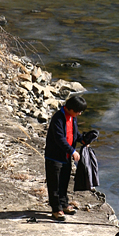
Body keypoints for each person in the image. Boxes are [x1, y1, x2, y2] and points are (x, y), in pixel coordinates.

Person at [44, 93, 88, 221]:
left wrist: (83, 140)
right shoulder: (58, 118)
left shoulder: (72, 117)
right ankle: (56, 209)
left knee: (64, 182)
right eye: (78, 111)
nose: (79, 114)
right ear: (71, 109)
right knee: (54, 184)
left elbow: (74, 134)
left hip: (66, 156)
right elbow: (59, 139)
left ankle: (64, 204)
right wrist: (72, 151)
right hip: (54, 157)